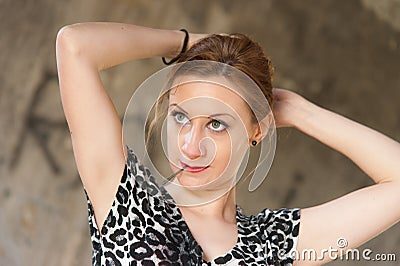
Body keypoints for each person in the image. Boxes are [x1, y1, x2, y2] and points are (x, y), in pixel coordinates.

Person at [56, 22, 400, 265]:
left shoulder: (271, 245)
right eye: (180, 118)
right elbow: (75, 46)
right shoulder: (127, 200)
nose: (191, 146)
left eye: (216, 124)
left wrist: (299, 111)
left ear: (257, 130)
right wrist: (187, 44)